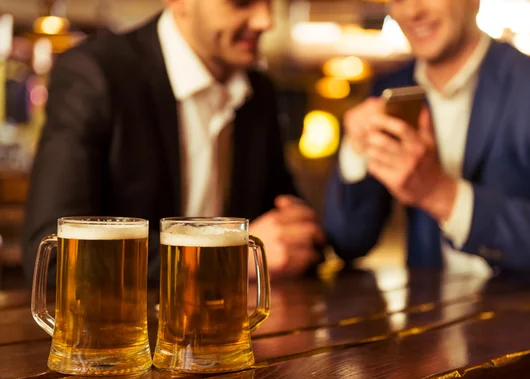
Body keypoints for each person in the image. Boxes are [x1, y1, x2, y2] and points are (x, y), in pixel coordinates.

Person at [23, 0, 325, 284]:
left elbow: (291, 231)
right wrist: (226, 260)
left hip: (231, 328)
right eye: (241, 1)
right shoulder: (96, 74)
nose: (266, 20)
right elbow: (51, 253)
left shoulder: (260, 93)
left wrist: (296, 235)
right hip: (127, 333)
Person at [324, 0, 530, 283]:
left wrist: (440, 194)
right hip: (427, 320)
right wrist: (354, 151)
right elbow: (348, 242)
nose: (413, 11)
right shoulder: (388, 90)